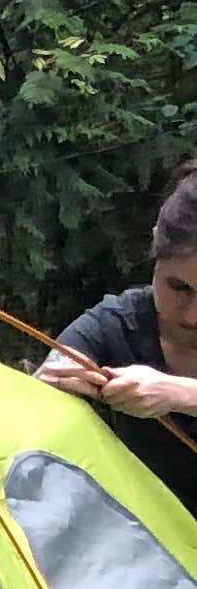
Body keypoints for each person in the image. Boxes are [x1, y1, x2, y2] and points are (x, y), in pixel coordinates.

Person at [41, 170, 197, 492]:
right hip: (143, 535)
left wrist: (180, 394)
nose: (193, 316)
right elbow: (37, 401)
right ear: (155, 244)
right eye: (179, 288)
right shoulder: (115, 324)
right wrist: (52, 384)